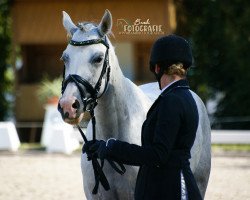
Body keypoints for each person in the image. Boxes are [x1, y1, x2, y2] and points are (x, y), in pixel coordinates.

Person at [83, 34, 202, 200]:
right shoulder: (183, 96)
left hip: (168, 190)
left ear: (157, 68)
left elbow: (157, 155)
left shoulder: (171, 101)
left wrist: (111, 148)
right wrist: (105, 147)